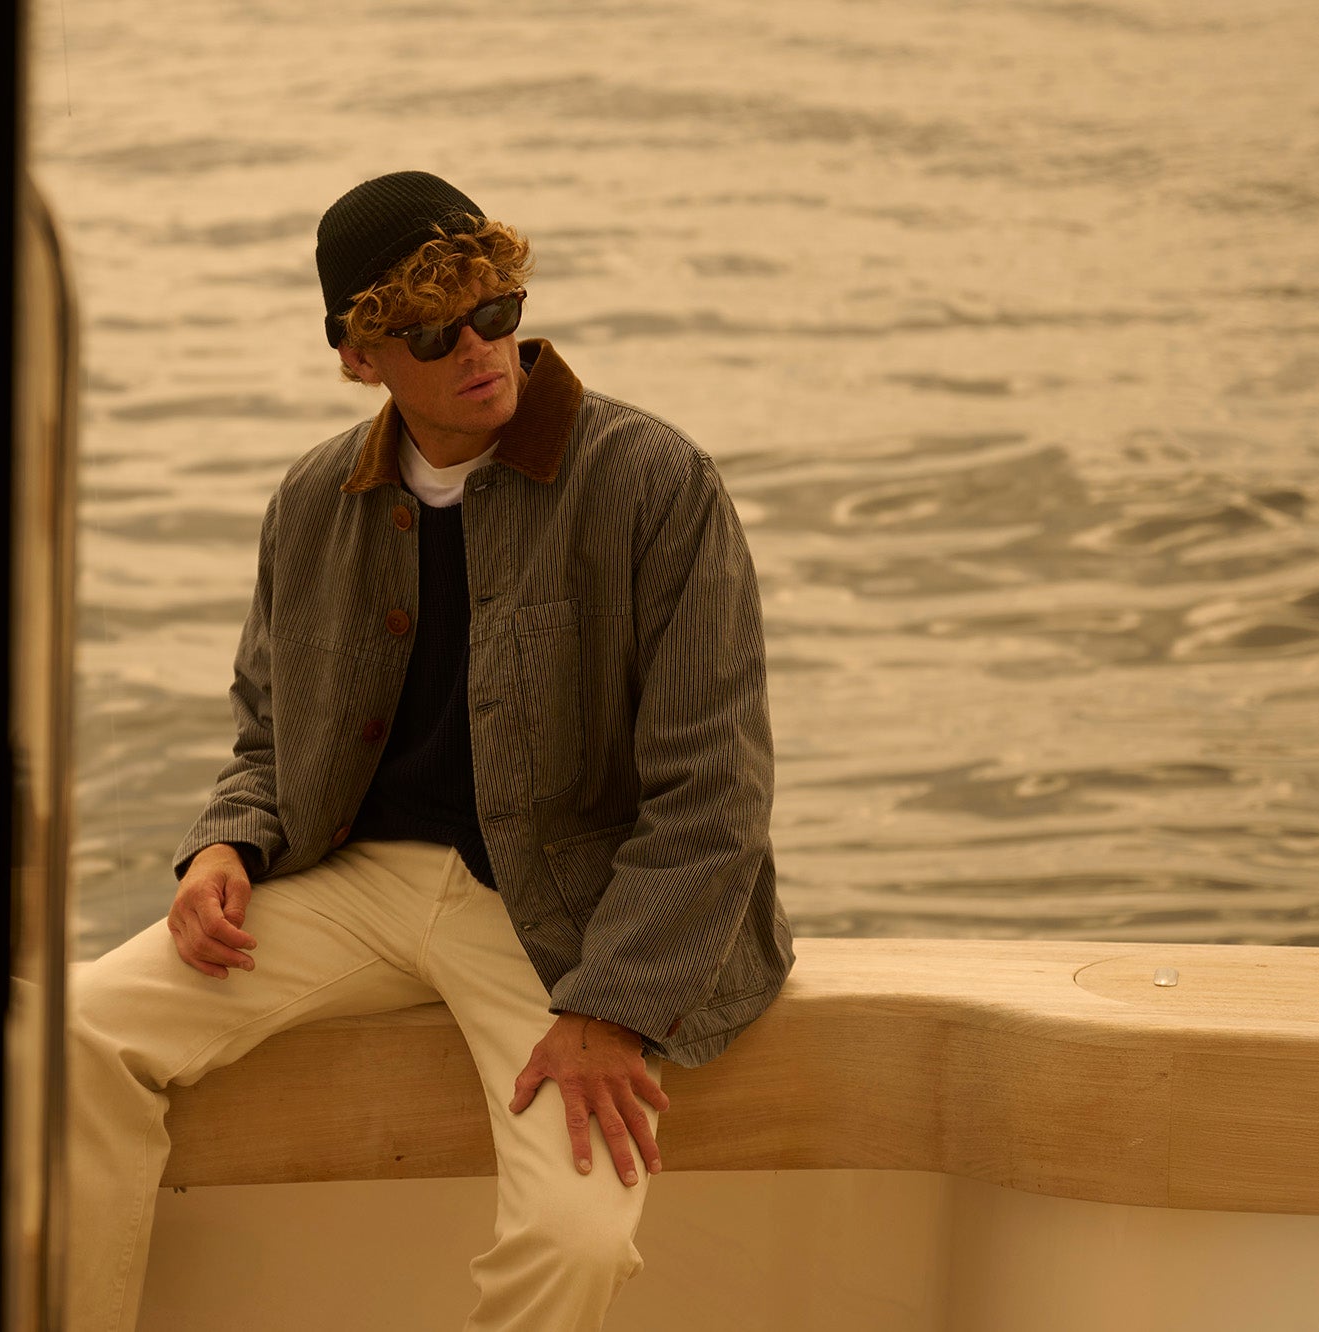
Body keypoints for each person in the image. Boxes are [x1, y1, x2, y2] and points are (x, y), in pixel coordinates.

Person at [67, 170, 796, 1331]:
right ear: (361, 357)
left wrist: (610, 1006)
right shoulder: (312, 502)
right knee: (69, 1032)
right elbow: (265, 731)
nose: (480, 349)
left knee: (575, 1237)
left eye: (495, 311)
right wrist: (224, 846)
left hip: (563, 918)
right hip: (353, 885)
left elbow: (713, 793)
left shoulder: (653, 484)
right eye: (432, 331)